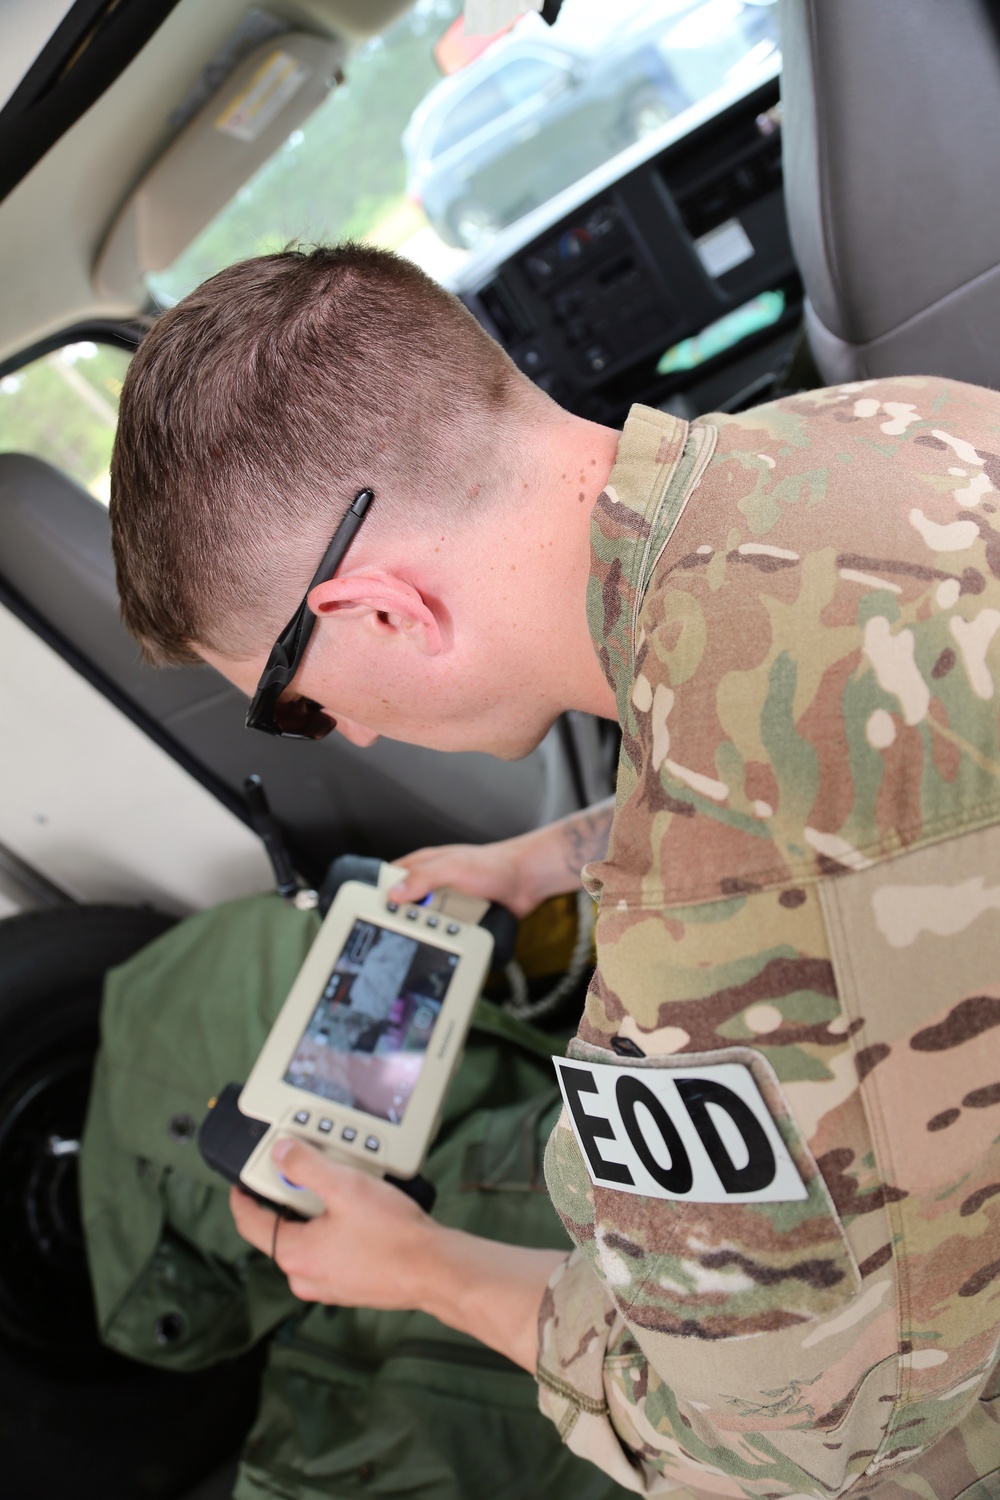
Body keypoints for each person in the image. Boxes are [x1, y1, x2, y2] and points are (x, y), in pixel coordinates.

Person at [108, 244, 1000, 1499]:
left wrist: (422, 1269)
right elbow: (857, 771)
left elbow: (777, 1446)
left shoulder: (698, 946)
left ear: (383, 613)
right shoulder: (884, 426)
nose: (352, 734)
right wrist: (555, 855)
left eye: (303, 706)